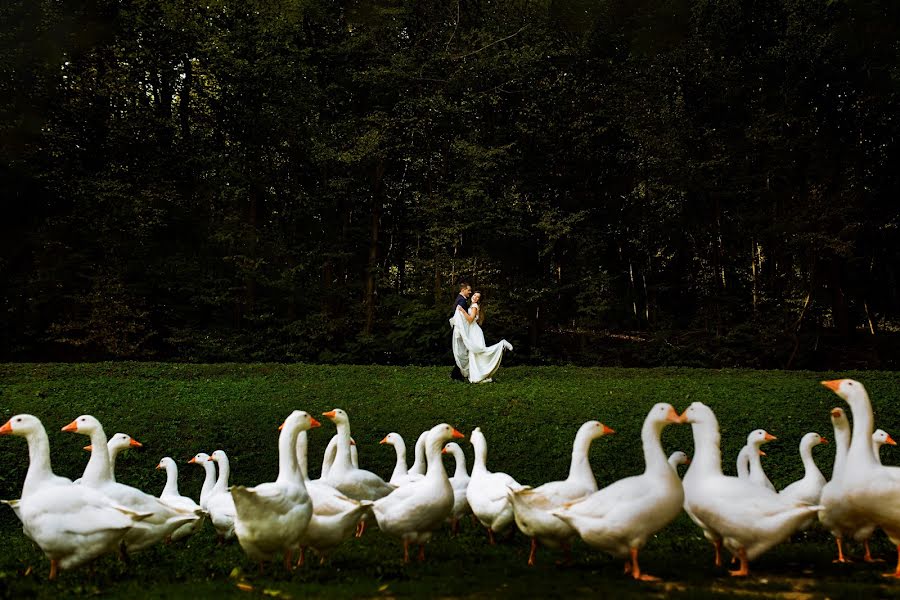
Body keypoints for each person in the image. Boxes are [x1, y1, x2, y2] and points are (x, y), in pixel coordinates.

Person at [450, 289, 513, 383]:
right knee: (474, 354)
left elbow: (470, 320)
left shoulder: (474, 306)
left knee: (480, 351)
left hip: (475, 332)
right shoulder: (472, 305)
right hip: (472, 331)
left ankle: (501, 344)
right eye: (474, 295)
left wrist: (462, 311)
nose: (475, 297)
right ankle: (476, 375)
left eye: (477, 297)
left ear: (479, 300)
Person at [450, 283, 472, 381]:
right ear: (463, 290)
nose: (470, 292)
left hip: (459, 329)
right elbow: (461, 318)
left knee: (461, 351)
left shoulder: (459, 299)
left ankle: (457, 373)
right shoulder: (462, 300)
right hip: (461, 329)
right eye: (469, 290)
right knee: (462, 351)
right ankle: (456, 374)